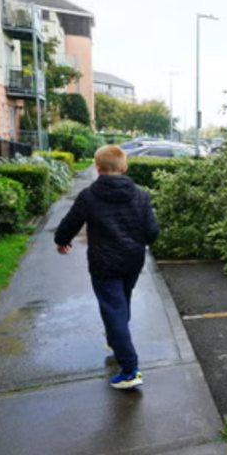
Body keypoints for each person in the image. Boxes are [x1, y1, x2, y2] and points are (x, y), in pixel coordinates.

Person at [55, 144, 159, 389]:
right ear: (124, 167)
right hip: (132, 261)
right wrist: (138, 241)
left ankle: (130, 370)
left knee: (113, 310)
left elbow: (70, 223)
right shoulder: (140, 195)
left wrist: (62, 241)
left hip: (104, 263)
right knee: (121, 303)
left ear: (97, 167)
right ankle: (117, 339)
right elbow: (152, 231)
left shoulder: (89, 196)